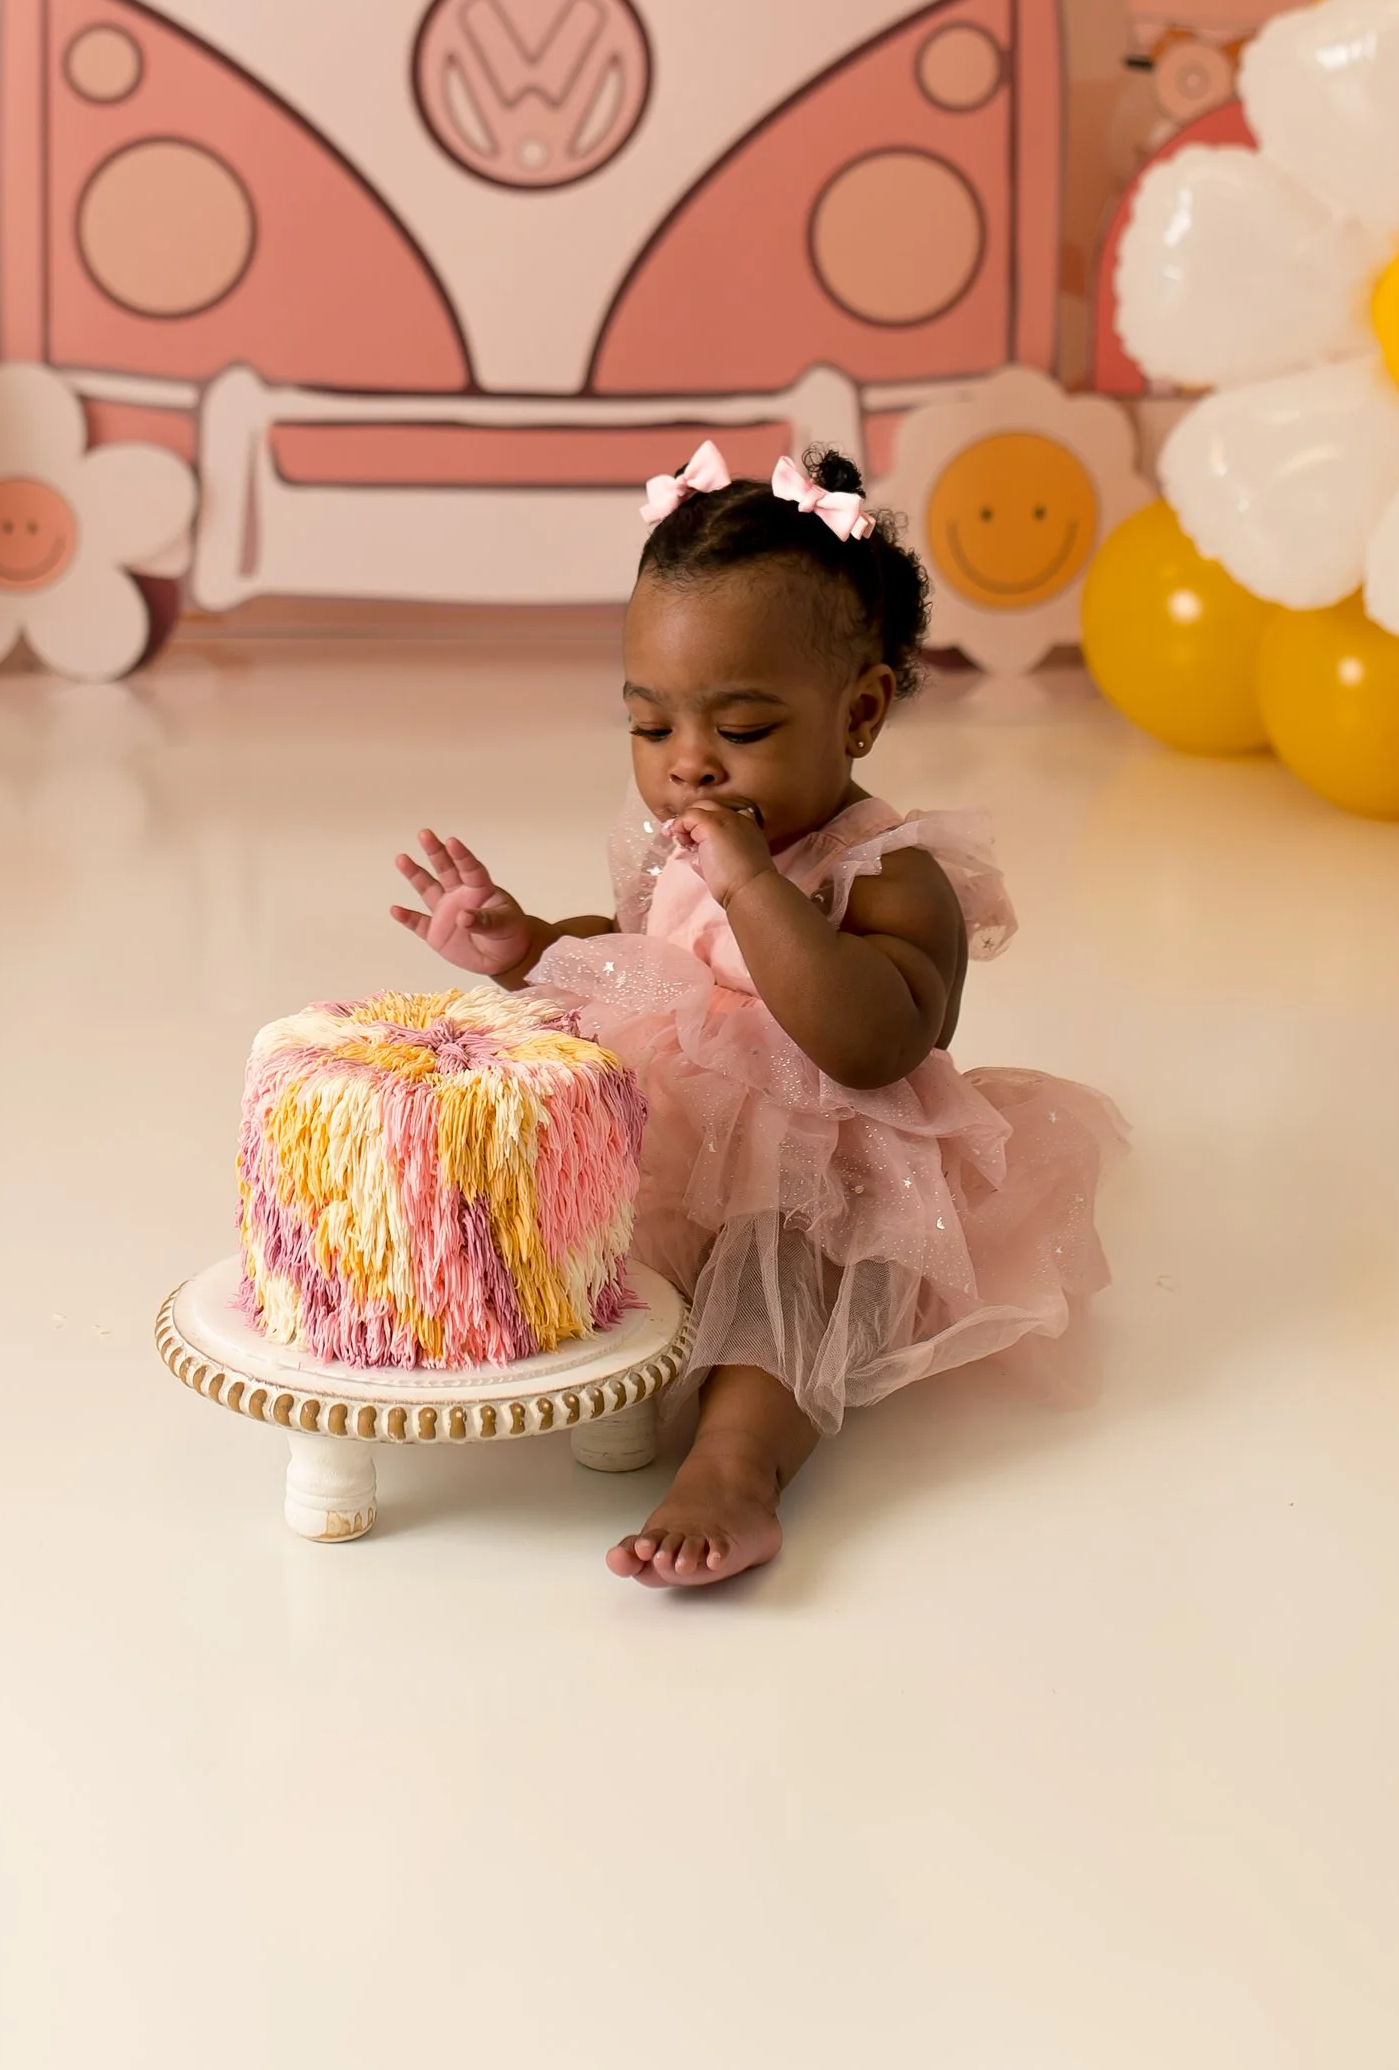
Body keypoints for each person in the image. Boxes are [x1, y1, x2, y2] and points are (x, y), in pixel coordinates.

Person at [392, 441, 1123, 1589]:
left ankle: (737, 1463)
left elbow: (874, 1039)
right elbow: (637, 955)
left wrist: (753, 886)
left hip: (832, 1163)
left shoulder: (889, 872)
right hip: (679, 1127)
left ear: (861, 709)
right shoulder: (688, 833)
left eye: (738, 729)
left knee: (791, 1273)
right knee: (533, 1155)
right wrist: (523, 945)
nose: (688, 766)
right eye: (650, 727)